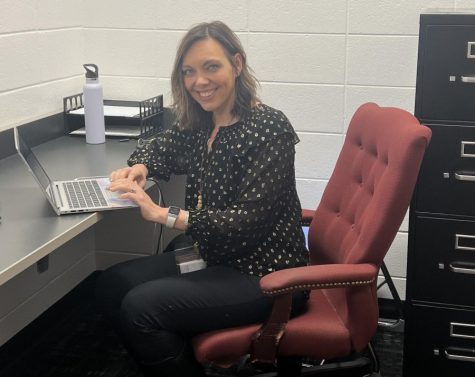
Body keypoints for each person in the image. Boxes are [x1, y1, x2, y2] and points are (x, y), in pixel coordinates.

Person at [96, 21, 309, 377]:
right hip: (211, 255)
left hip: (263, 273)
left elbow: (246, 222)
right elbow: (161, 145)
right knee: (112, 286)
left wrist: (165, 214)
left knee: (140, 309)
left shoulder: (270, 128)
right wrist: (142, 166)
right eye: (189, 72)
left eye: (211, 67)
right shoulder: (203, 122)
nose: (199, 81)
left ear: (237, 65)